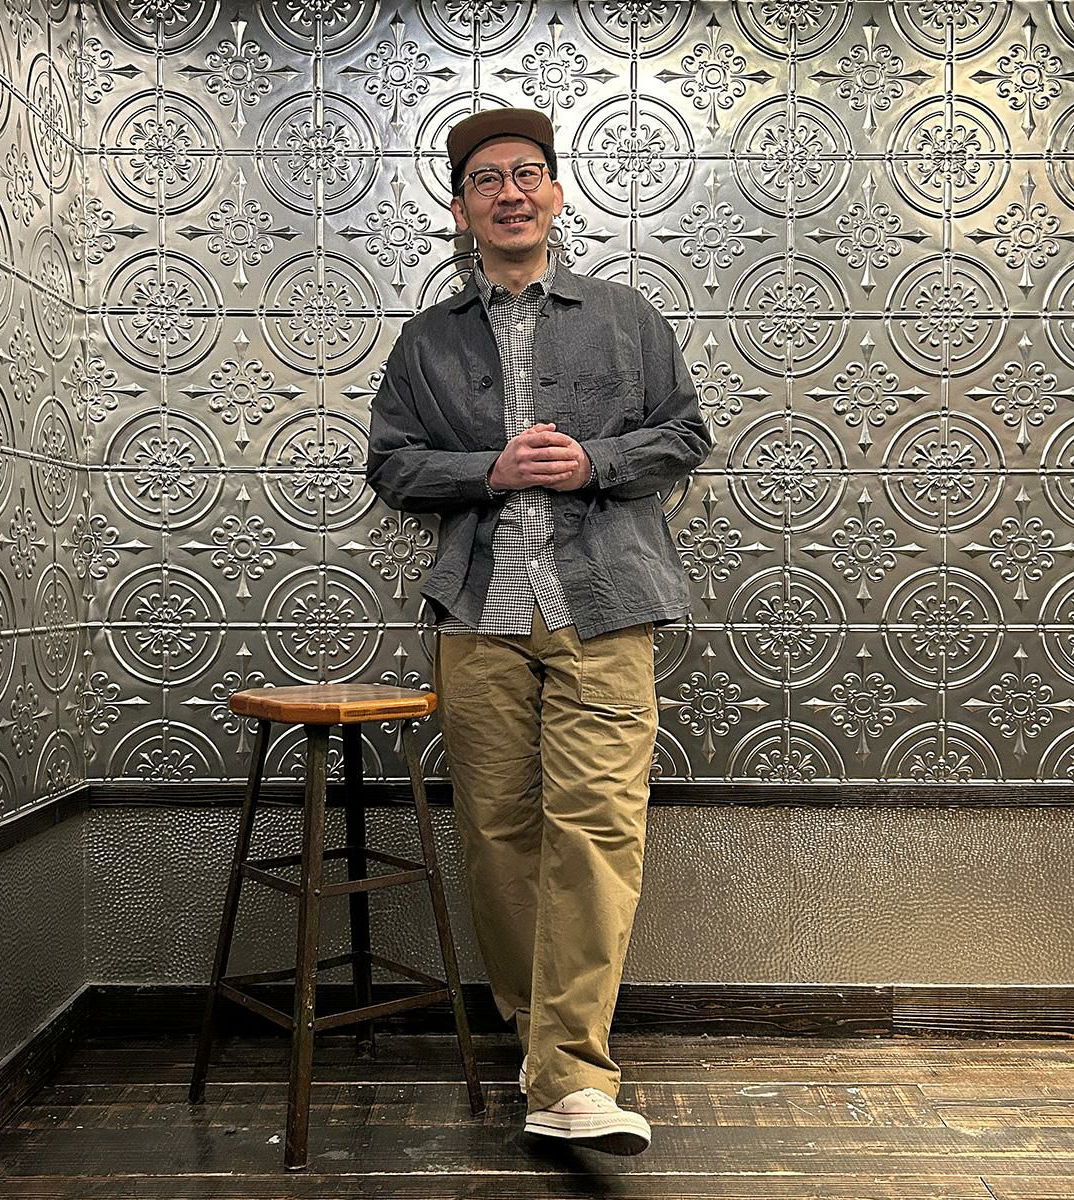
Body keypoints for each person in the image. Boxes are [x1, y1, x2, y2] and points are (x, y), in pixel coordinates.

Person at [366, 107, 709, 1155]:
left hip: (604, 605)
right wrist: (491, 469)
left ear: (556, 194)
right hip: (481, 611)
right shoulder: (427, 340)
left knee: (599, 823)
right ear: (461, 210)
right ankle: (537, 1038)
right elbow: (391, 464)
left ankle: (571, 1075)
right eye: (485, 180)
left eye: (527, 174)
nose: (509, 192)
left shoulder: (625, 315)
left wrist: (596, 462)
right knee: (498, 832)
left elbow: (686, 433)